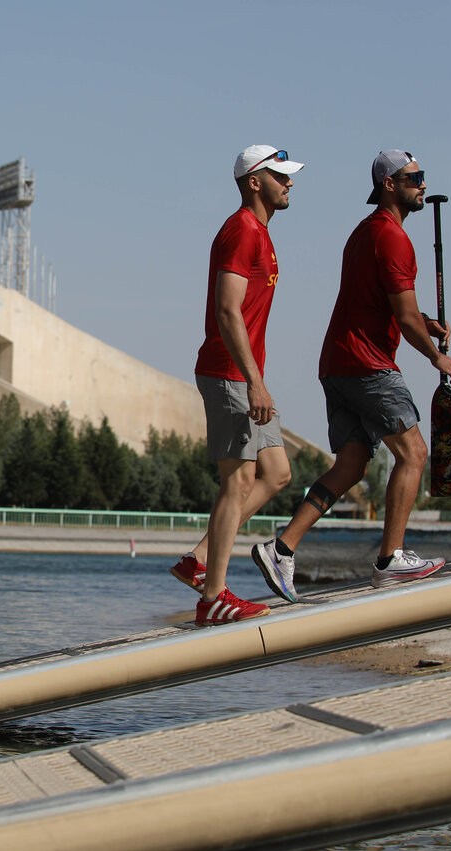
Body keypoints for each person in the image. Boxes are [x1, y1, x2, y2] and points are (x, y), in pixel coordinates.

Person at [252, 150, 451, 599]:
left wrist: (423, 320)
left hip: (337, 364)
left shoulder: (365, 233)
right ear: (389, 184)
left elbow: (384, 303)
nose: (422, 184)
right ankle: (390, 560)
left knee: (351, 463)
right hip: (368, 364)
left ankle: (281, 548)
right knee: (413, 454)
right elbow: (402, 320)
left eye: (423, 177)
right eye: (414, 178)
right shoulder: (394, 239)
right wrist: (434, 356)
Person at [170, 145, 302, 626]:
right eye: (280, 176)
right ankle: (214, 597)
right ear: (254, 181)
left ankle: (200, 559)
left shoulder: (261, 234)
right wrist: (254, 383)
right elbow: (227, 311)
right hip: (229, 372)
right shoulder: (242, 230)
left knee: (277, 473)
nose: (289, 183)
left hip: (244, 374)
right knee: (240, 479)